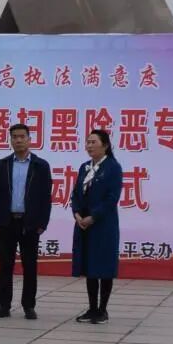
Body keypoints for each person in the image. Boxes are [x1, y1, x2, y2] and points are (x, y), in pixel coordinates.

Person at [0, 124, 52, 320]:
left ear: (29, 139)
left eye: (22, 136)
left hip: (29, 222)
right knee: (5, 266)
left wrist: (42, 222)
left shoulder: (41, 165)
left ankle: (29, 306)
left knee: (30, 266)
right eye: (14, 137)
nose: (18, 140)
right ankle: (4, 305)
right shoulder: (3, 164)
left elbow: (46, 197)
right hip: (7, 221)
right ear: (10, 140)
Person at [71, 129, 123, 325]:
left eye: (93, 142)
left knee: (104, 267)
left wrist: (93, 217)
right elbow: (75, 194)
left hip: (103, 225)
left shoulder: (113, 168)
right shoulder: (84, 167)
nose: (89, 145)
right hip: (84, 225)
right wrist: (77, 214)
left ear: (105, 145)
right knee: (90, 267)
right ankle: (92, 308)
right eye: (88, 142)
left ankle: (102, 310)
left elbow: (112, 198)